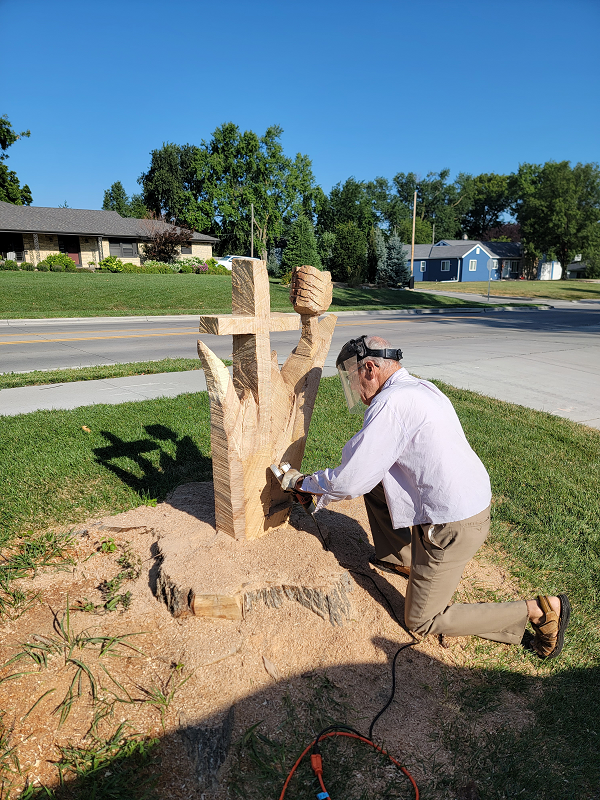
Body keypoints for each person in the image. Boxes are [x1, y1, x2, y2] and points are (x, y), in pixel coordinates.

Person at [282, 335, 570, 659]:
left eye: (352, 381)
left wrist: (307, 484)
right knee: (378, 486)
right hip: (466, 506)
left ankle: (539, 610)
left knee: (421, 619)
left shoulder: (391, 404)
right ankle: (404, 561)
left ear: (370, 368)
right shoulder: (420, 389)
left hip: (453, 527)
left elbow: (352, 480)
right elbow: (371, 471)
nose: (355, 392)